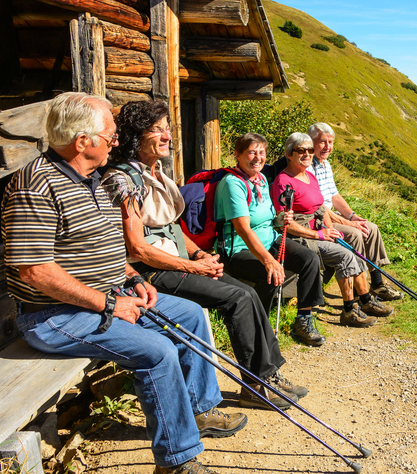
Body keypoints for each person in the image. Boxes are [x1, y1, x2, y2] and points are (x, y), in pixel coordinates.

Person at [2, 92, 245, 474]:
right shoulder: (36, 185)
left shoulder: (93, 180)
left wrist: (131, 278)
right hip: (54, 315)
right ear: (84, 141)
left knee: (191, 314)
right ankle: (176, 461)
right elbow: (34, 271)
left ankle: (199, 411)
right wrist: (109, 305)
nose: (116, 142)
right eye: (111, 135)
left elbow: (109, 248)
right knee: (158, 351)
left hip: (109, 296)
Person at [101, 101, 306, 410]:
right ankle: (257, 386)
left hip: (178, 262)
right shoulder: (123, 179)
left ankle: (268, 374)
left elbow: (169, 226)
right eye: (158, 129)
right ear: (136, 135)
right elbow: (137, 249)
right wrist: (191, 267)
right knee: (237, 298)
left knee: (247, 293)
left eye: (168, 129)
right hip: (150, 272)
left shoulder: (154, 172)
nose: (168, 136)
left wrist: (198, 254)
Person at [270, 133, 393, 328]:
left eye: (310, 150)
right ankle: (349, 311)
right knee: (345, 256)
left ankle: (365, 299)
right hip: (302, 237)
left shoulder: (309, 176)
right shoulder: (284, 182)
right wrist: (319, 234)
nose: (307, 154)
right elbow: (284, 223)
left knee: (352, 246)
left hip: (320, 230)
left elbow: (321, 208)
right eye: (301, 150)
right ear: (289, 154)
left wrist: (328, 228)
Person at [215, 132, 325, 347]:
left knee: (309, 259)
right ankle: (259, 327)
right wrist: (268, 260)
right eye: (252, 153)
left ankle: (304, 318)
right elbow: (244, 230)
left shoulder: (262, 179)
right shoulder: (233, 184)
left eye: (262, 152)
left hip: (270, 240)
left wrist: (281, 219)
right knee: (271, 273)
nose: (258, 157)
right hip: (237, 249)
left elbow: (268, 220)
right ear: (238, 155)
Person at [306, 122, 402, 301]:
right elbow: (320, 206)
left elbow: (334, 196)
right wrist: (349, 223)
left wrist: (352, 216)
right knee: (355, 233)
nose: (327, 146)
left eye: (331, 142)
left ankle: (377, 282)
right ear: (311, 143)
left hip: (331, 215)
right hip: (320, 219)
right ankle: (359, 290)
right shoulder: (308, 167)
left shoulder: (325, 164)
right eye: (322, 142)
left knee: (370, 228)